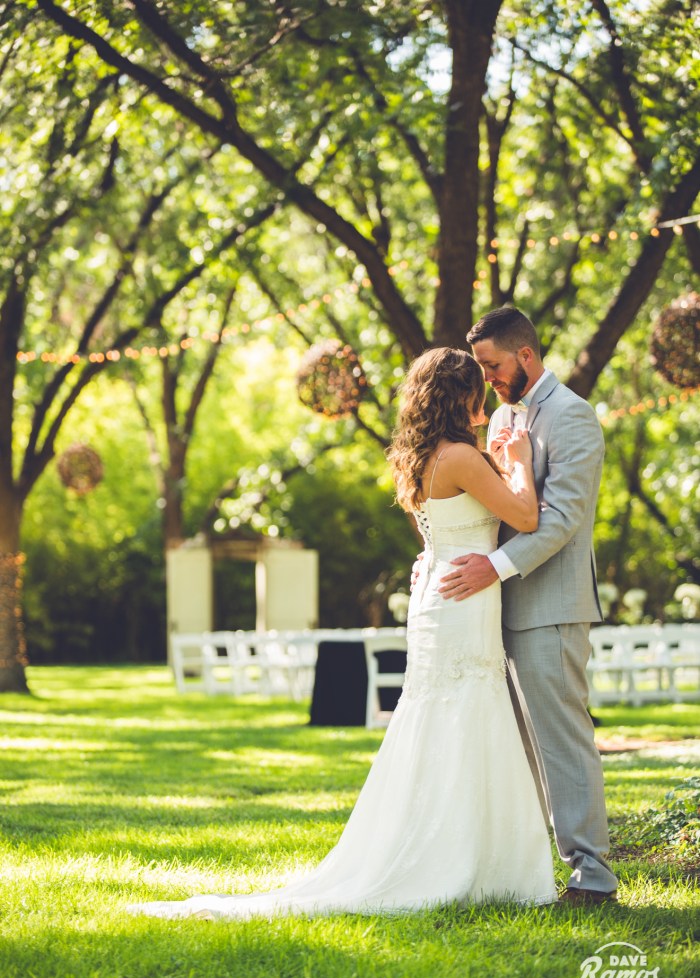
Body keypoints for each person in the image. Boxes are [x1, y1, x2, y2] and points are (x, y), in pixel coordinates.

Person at [128, 347, 557, 920]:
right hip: (463, 599)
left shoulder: (418, 458)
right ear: (463, 397)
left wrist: (493, 469)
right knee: (465, 711)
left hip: (439, 594)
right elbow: (525, 517)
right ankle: (470, 859)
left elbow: (442, 534)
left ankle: (458, 848)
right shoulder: (461, 457)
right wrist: (521, 461)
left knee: (439, 715)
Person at [439, 306, 617, 905]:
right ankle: (533, 868)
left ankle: (592, 876)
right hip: (495, 608)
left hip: (551, 606)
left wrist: (494, 565)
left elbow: (564, 519)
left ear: (526, 356)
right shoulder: (505, 419)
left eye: (492, 365)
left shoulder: (572, 416)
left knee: (561, 741)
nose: (487, 378)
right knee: (518, 744)